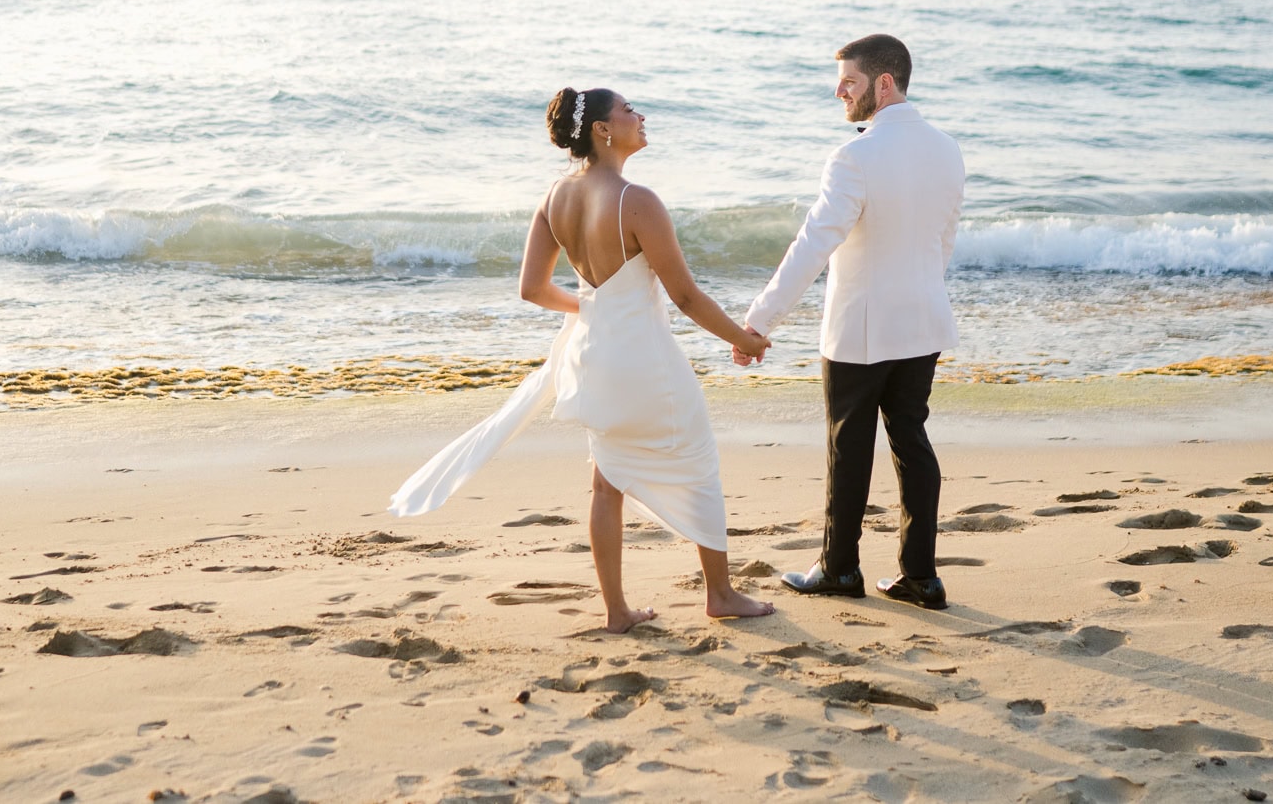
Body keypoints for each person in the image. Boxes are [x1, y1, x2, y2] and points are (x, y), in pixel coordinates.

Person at [390, 87, 775, 632]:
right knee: (698, 464)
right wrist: (747, 339)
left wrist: (595, 306)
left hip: (593, 355)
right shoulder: (636, 200)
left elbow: (532, 288)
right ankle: (720, 593)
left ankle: (617, 611)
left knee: (606, 481)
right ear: (602, 129)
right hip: (644, 359)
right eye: (628, 110)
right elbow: (686, 297)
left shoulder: (554, 198)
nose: (640, 117)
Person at [739, 34, 965, 608]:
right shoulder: (948, 149)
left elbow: (813, 245)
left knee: (850, 448)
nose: (838, 91)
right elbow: (943, 241)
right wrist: (918, 288)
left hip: (861, 329)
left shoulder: (854, 158)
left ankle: (839, 569)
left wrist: (761, 321)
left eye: (849, 81)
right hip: (923, 319)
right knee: (912, 440)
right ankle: (922, 576)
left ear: (882, 84)